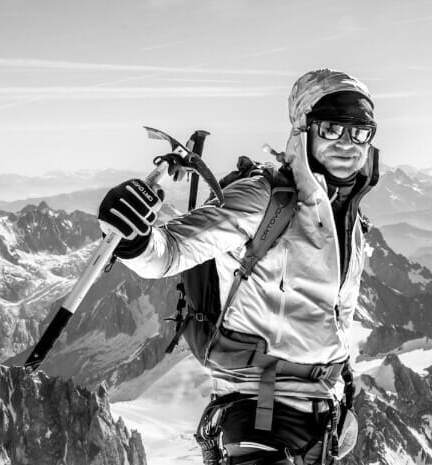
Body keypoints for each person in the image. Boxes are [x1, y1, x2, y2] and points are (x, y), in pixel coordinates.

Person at [98, 69, 377, 465]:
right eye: (333, 128)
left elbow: (338, 318)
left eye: (360, 132)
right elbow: (171, 251)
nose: (348, 143)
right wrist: (134, 239)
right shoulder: (263, 197)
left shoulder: (349, 219)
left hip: (318, 420)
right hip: (258, 414)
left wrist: (338, 389)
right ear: (304, 130)